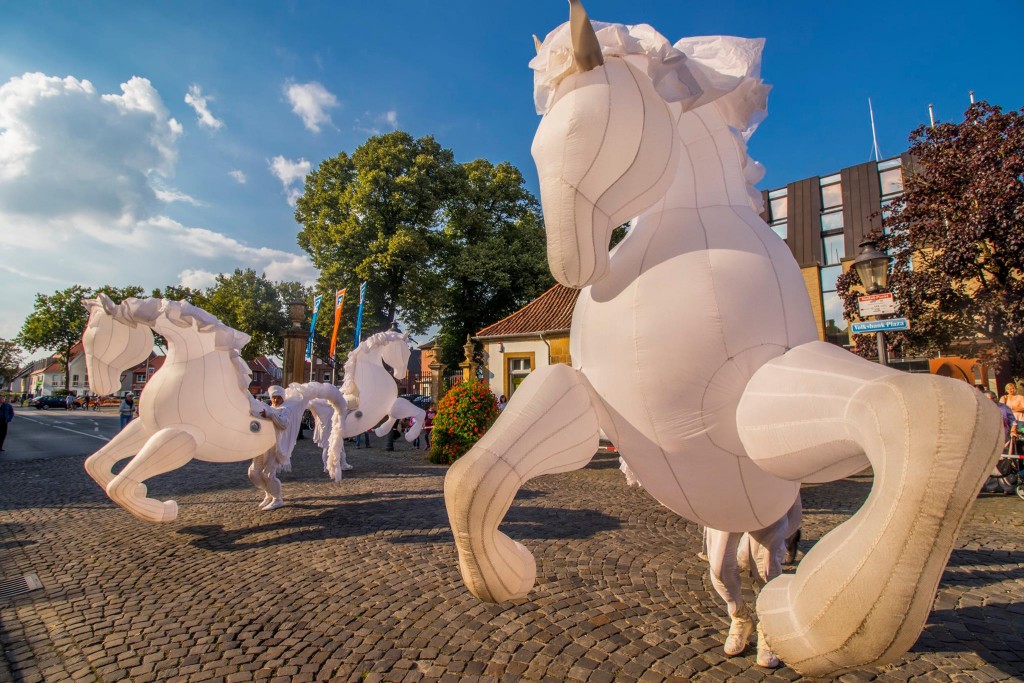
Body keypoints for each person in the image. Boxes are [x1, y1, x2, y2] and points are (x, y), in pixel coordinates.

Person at [705, 498, 802, 669]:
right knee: (720, 565)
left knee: (766, 567)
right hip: (725, 490)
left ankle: (767, 627)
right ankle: (740, 618)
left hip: (768, 488)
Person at [249, 385, 292, 511]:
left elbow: (283, 424)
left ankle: (277, 499)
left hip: (275, 447)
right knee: (253, 473)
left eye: (279, 398)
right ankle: (269, 494)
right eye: (274, 398)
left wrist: (270, 415)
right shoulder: (266, 408)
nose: (276, 400)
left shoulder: (285, 410)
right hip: (262, 446)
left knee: (268, 474)